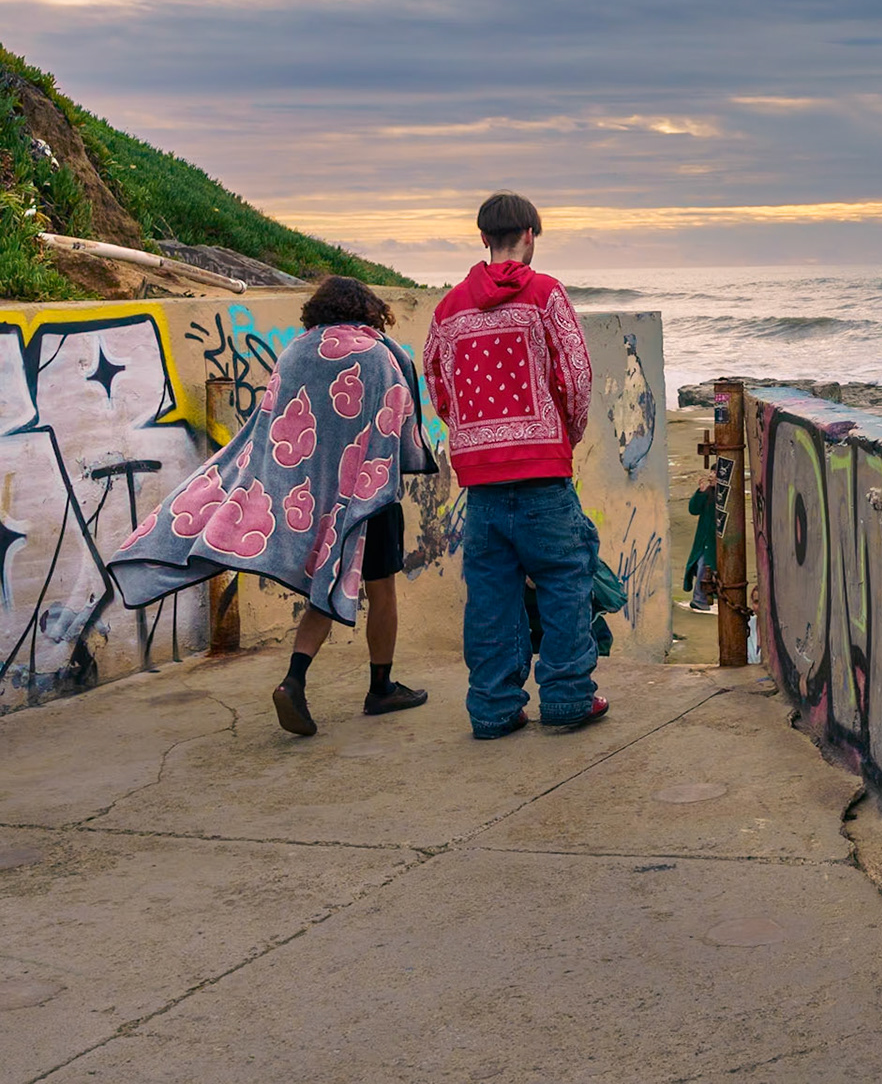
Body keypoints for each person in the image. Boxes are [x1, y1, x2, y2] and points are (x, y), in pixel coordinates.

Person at [112, 276, 437, 736]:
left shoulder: (294, 353)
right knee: (381, 589)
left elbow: (272, 427)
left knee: (326, 583)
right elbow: (398, 422)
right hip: (370, 492)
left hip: (308, 496)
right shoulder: (379, 355)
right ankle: (381, 687)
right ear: (368, 310)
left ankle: (294, 680)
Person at [423, 191, 604, 739]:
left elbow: (437, 382)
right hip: (543, 471)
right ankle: (568, 697)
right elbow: (577, 374)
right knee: (564, 580)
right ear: (530, 236)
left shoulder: (449, 309)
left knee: (490, 594)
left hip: (481, 480)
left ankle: (494, 708)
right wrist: (564, 436)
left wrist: (472, 436)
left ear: (483, 238)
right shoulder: (545, 295)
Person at [683, 469, 718, 613]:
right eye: (711, 472)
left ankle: (701, 599)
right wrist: (700, 492)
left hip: (717, 541)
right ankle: (700, 599)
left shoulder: (726, 495)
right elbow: (693, 509)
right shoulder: (708, 493)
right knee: (701, 565)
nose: (711, 475)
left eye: (715, 473)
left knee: (707, 566)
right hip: (704, 540)